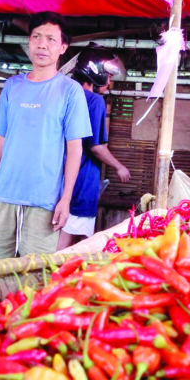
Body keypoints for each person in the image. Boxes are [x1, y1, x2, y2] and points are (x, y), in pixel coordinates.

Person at [0, 12, 92, 261]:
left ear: (62, 48)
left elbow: (75, 150)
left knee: (33, 278)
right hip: (2, 196)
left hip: (44, 201)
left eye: (50, 39)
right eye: (36, 37)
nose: (42, 44)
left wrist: (65, 199)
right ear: (29, 42)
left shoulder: (70, 91)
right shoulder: (12, 86)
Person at [57, 45, 131, 250]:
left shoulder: (65, 95)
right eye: (108, 75)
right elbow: (96, 146)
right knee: (74, 244)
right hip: (82, 180)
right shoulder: (95, 100)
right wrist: (119, 167)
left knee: (61, 237)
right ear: (95, 73)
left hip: (59, 179)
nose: (110, 81)